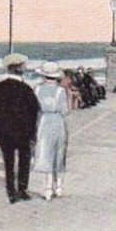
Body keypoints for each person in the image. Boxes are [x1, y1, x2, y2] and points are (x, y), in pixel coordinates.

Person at [0, 53, 40, 204]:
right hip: (24, 131)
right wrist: (33, 132)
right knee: (24, 161)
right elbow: (35, 110)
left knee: (9, 162)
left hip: (4, 131)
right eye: (23, 66)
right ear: (17, 68)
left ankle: (11, 192)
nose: (25, 68)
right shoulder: (26, 88)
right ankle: (23, 190)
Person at [32, 61, 69, 201]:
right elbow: (65, 110)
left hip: (43, 121)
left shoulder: (38, 89)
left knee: (45, 152)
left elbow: (35, 108)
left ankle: (47, 189)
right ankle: (58, 186)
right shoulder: (61, 90)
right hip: (58, 121)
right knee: (59, 152)